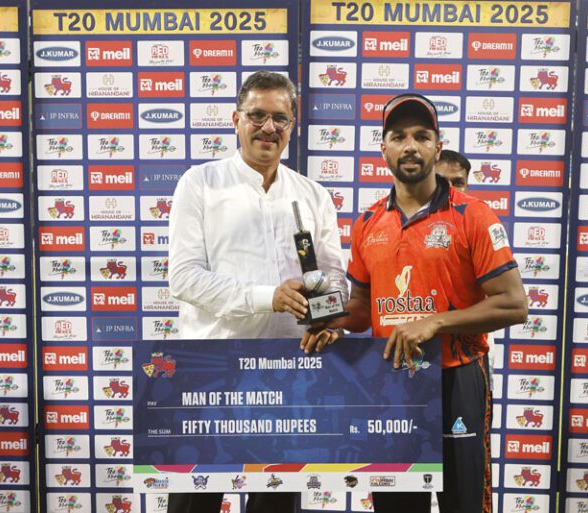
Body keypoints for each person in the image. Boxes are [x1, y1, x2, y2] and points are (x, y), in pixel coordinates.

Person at [302, 93, 528, 513]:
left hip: (457, 377)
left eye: (422, 136)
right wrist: (326, 320)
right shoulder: (368, 222)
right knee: (396, 505)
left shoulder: (473, 215)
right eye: (399, 136)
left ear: (436, 148)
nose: (410, 145)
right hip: (394, 383)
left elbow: (514, 304)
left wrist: (435, 323)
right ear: (383, 147)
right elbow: (360, 309)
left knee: (463, 503)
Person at [168, 71, 347, 513]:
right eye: (258, 116)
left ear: (294, 125)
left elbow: (334, 279)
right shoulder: (200, 183)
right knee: (195, 504)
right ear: (236, 119)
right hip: (210, 375)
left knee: (277, 506)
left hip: (286, 375)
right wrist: (266, 296)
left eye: (281, 118)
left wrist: (326, 321)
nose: (269, 127)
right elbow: (184, 277)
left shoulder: (314, 195)